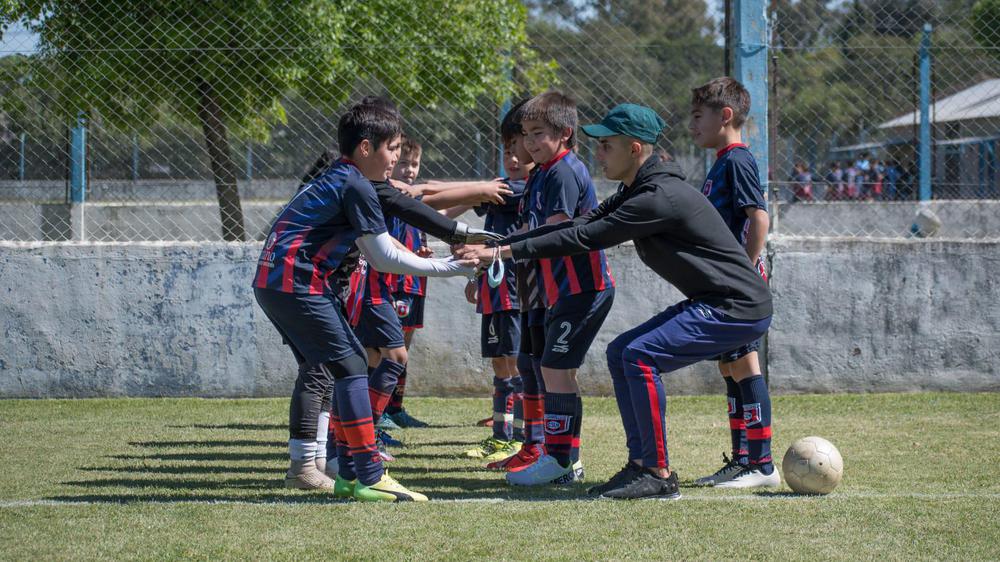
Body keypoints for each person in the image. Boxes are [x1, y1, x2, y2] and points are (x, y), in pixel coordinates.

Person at [457, 103, 773, 500]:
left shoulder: (656, 198)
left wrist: (501, 255)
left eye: (607, 145)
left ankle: (656, 472)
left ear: (635, 149)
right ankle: (641, 466)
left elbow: (583, 238)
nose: (598, 154)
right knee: (624, 352)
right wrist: (498, 245)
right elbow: (580, 224)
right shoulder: (637, 190)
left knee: (638, 355)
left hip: (736, 307)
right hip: (720, 300)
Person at [253, 97, 479, 501]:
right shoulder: (354, 183)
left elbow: (389, 231)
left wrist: (458, 236)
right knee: (352, 364)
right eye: (391, 148)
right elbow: (383, 257)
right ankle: (365, 474)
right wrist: (451, 268)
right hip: (296, 282)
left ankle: (322, 466)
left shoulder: (348, 178)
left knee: (327, 367)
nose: (395, 158)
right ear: (364, 148)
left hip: (278, 281)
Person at [500, 91, 615, 487]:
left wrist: (503, 249)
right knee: (554, 371)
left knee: (554, 369)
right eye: (526, 134)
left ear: (565, 134)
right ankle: (565, 458)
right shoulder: (543, 173)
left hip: (582, 288)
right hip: (560, 291)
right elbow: (533, 230)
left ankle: (560, 460)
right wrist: (490, 247)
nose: (530, 142)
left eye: (538, 133)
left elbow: (558, 229)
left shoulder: (564, 171)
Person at [687, 77, 778, 488]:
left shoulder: (738, 160)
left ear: (725, 116)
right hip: (723, 285)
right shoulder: (722, 161)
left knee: (744, 367)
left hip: (738, 287)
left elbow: (758, 217)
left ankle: (760, 465)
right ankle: (742, 458)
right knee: (730, 369)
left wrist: (743, 270)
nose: (692, 124)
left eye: (697, 115)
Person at [460, 101, 532, 461]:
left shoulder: (520, 189)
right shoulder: (499, 190)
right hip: (493, 290)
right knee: (500, 362)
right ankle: (502, 433)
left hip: (516, 293)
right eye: (506, 153)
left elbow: (479, 196)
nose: (513, 159)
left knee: (516, 362)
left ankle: (519, 436)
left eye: (518, 152)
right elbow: (487, 235)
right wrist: (476, 275)